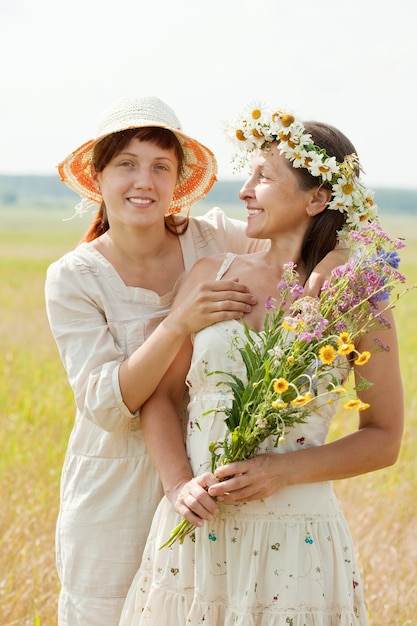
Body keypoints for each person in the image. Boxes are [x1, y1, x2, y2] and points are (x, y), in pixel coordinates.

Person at [45, 96, 344, 626]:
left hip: (213, 477)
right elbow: (111, 407)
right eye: (126, 164)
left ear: (179, 179)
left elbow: (300, 232)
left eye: (161, 166)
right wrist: (178, 322)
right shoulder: (74, 276)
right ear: (99, 176)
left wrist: (343, 252)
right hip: (116, 484)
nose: (145, 180)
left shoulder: (209, 239)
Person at [119, 105, 404, 625]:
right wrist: (179, 484)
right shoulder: (214, 273)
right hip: (199, 529)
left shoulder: (354, 295)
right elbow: (162, 396)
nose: (245, 190)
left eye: (263, 178)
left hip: (297, 539)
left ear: (318, 198)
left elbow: (384, 438)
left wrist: (279, 471)